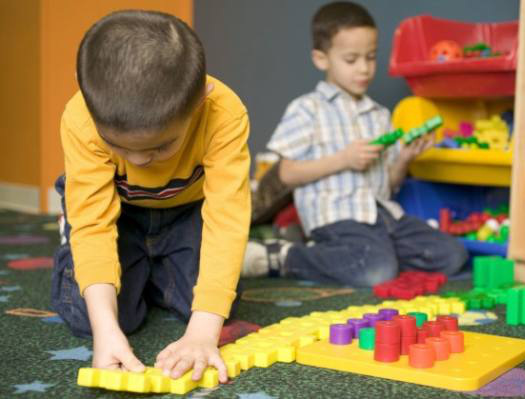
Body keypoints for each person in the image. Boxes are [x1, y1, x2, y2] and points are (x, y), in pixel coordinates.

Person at [51, 10, 250, 384]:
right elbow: (94, 224)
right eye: (117, 145)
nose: (141, 160)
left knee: (219, 304)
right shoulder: (80, 118)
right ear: (86, 95)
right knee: (89, 317)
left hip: (187, 213)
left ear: (199, 102)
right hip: (118, 212)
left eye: (161, 147)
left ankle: (151, 265)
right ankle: (116, 257)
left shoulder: (224, 112)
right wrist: (105, 328)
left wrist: (203, 333)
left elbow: (227, 221)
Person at [243, 1, 467, 284]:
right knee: (376, 271)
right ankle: (284, 256)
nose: (364, 69)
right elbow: (285, 173)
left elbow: (389, 184)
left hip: (384, 216)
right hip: (338, 217)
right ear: (321, 59)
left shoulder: (380, 115)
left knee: (452, 255)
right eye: (351, 60)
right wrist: (343, 160)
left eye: (371, 57)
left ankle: (360, 255)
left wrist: (404, 159)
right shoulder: (308, 109)